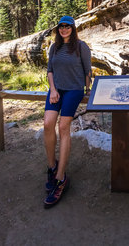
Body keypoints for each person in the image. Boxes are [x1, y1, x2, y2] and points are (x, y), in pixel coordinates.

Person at [43, 15, 92, 209]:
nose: (64, 29)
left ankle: (61, 178)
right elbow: (50, 71)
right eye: (61, 26)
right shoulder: (54, 47)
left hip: (73, 90)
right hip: (57, 90)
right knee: (48, 124)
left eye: (67, 26)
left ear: (73, 28)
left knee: (63, 127)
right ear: (58, 29)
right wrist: (53, 89)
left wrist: (88, 90)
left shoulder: (81, 47)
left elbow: (87, 70)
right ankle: (52, 167)